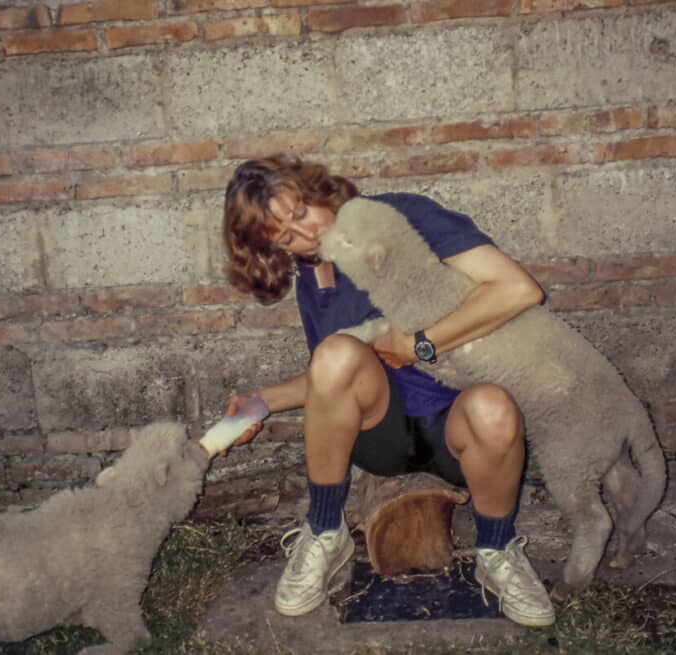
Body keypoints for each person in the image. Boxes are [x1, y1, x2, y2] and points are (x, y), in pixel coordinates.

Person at [220, 154, 555, 627]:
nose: (307, 235)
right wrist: (261, 403)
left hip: (458, 421)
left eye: (301, 213)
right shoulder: (313, 278)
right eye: (286, 237)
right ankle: (325, 530)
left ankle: (497, 550)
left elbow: (518, 290)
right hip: (383, 434)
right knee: (334, 354)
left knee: (496, 408)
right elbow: (334, 374)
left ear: (317, 190)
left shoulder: (405, 217)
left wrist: (421, 343)